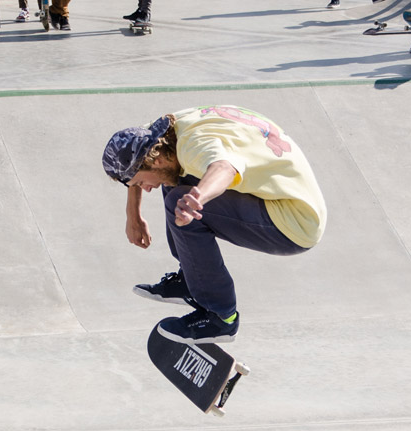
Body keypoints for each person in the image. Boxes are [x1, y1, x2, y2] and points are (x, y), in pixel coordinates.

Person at [103, 105, 326, 345]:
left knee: (179, 199)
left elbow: (224, 169)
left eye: (140, 182)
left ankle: (221, 318)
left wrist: (197, 198)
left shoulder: (195, 147)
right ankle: (191, 279)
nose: (145, 188)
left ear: (153, 159)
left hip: (293, 222)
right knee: (172, 176)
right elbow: (137, 164)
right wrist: (133, 214)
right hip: (282, 192)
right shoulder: (163, 134)